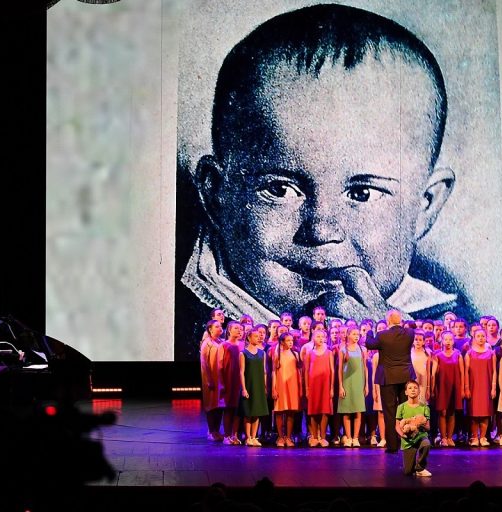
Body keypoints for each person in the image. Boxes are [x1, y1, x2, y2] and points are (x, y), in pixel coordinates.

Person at [177, 3, 480, 343]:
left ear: (425, 206)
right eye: (280, 189)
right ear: (217, 194)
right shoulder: (179, 323)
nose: (321, 229)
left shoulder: (452, 328)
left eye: (362, 193)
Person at [365, 309, 416, 453]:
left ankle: (392, 445)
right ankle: (408, 442)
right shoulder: (409, 334)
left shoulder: (382, 335)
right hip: (405, 376)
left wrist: (369, 331)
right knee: (406, 410)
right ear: (400, 320)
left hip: (388, 377)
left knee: (389, 412)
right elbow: (413, 325)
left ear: (388, 321)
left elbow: (369, 344)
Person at [396, 380, 432, 477]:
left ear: (419, 391)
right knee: (408, 472)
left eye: (415, 388)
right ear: (406, 392)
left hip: (420, 437)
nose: (413, 390)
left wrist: (419, 423)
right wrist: (402, 435)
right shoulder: (401, 407)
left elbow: (428, 427)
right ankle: (413, 467)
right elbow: (397, 425)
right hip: (408, 440)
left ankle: (420, 467)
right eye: (410, 388)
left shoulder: (424, 407)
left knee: (426, 444)